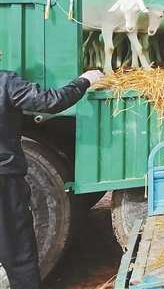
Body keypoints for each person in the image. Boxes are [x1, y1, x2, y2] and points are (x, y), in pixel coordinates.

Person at [0, 55, 104, 289]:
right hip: (4, 178)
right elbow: (50, 102)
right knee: (18, 251)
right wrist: (85, 80)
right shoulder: (5, 82)